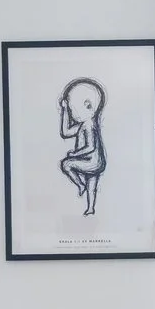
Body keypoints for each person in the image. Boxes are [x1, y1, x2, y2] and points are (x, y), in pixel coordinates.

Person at [57, 77, 107, 215]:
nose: (73, 115)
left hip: (92, 161)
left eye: (73, 110)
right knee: (92, 186)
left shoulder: (89, 125)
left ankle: (80, 184)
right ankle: (91, 208)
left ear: (88, 105)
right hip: (94, 162)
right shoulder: (83, 124)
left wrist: (75, 154)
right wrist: (65, 110)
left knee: (66, 165)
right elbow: (65, 132)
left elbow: (90, 147)